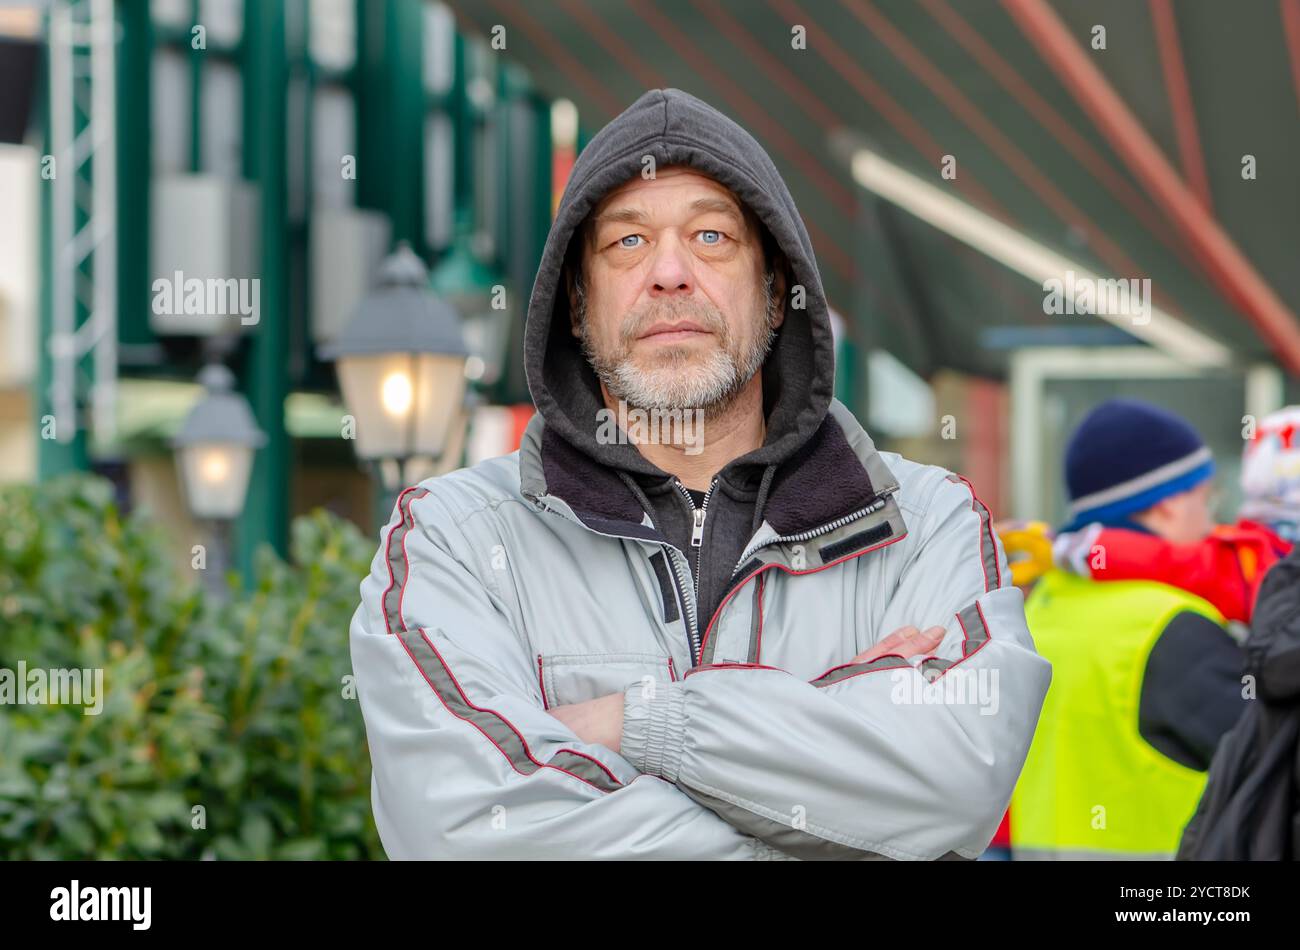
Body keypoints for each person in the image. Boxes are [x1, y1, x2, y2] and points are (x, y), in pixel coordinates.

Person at [348, 88, 1051, 860]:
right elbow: (469, 827)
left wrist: (637, 725)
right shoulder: (453, 538)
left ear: (778, 290)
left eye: (712, 235)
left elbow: (953, 777)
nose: (670, 272)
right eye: (627, 243)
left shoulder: (925, 525)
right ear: (577, 305)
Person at [1010, 399, 1247, 859]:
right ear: (1168, 505)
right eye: (1207, 497)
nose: (1213, 519)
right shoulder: (1172, 626)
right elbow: (1272, 761)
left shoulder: (1039, 607)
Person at [1052, 406, 1298, 624]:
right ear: (1169, 504)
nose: (1212, 525)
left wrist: (1068, 547)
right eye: (1206, 500)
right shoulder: (1244, 562)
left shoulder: (1048, 594)